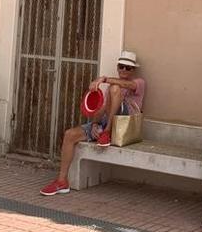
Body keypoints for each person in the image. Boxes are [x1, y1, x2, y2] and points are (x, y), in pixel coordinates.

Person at [40, 50, 146, 196]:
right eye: (121, 66)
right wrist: (95, 125)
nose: (124, 70)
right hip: (105, 121)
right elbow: (102, 109)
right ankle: (62, 181)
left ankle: (107, 132)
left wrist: (102, 79)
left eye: (128, 68)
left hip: (124, 124)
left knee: (115, 88)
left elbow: (126, 85)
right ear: (117, 67)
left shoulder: (139, 83)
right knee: (70, 135)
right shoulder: (110, 89)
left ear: (134, 70)